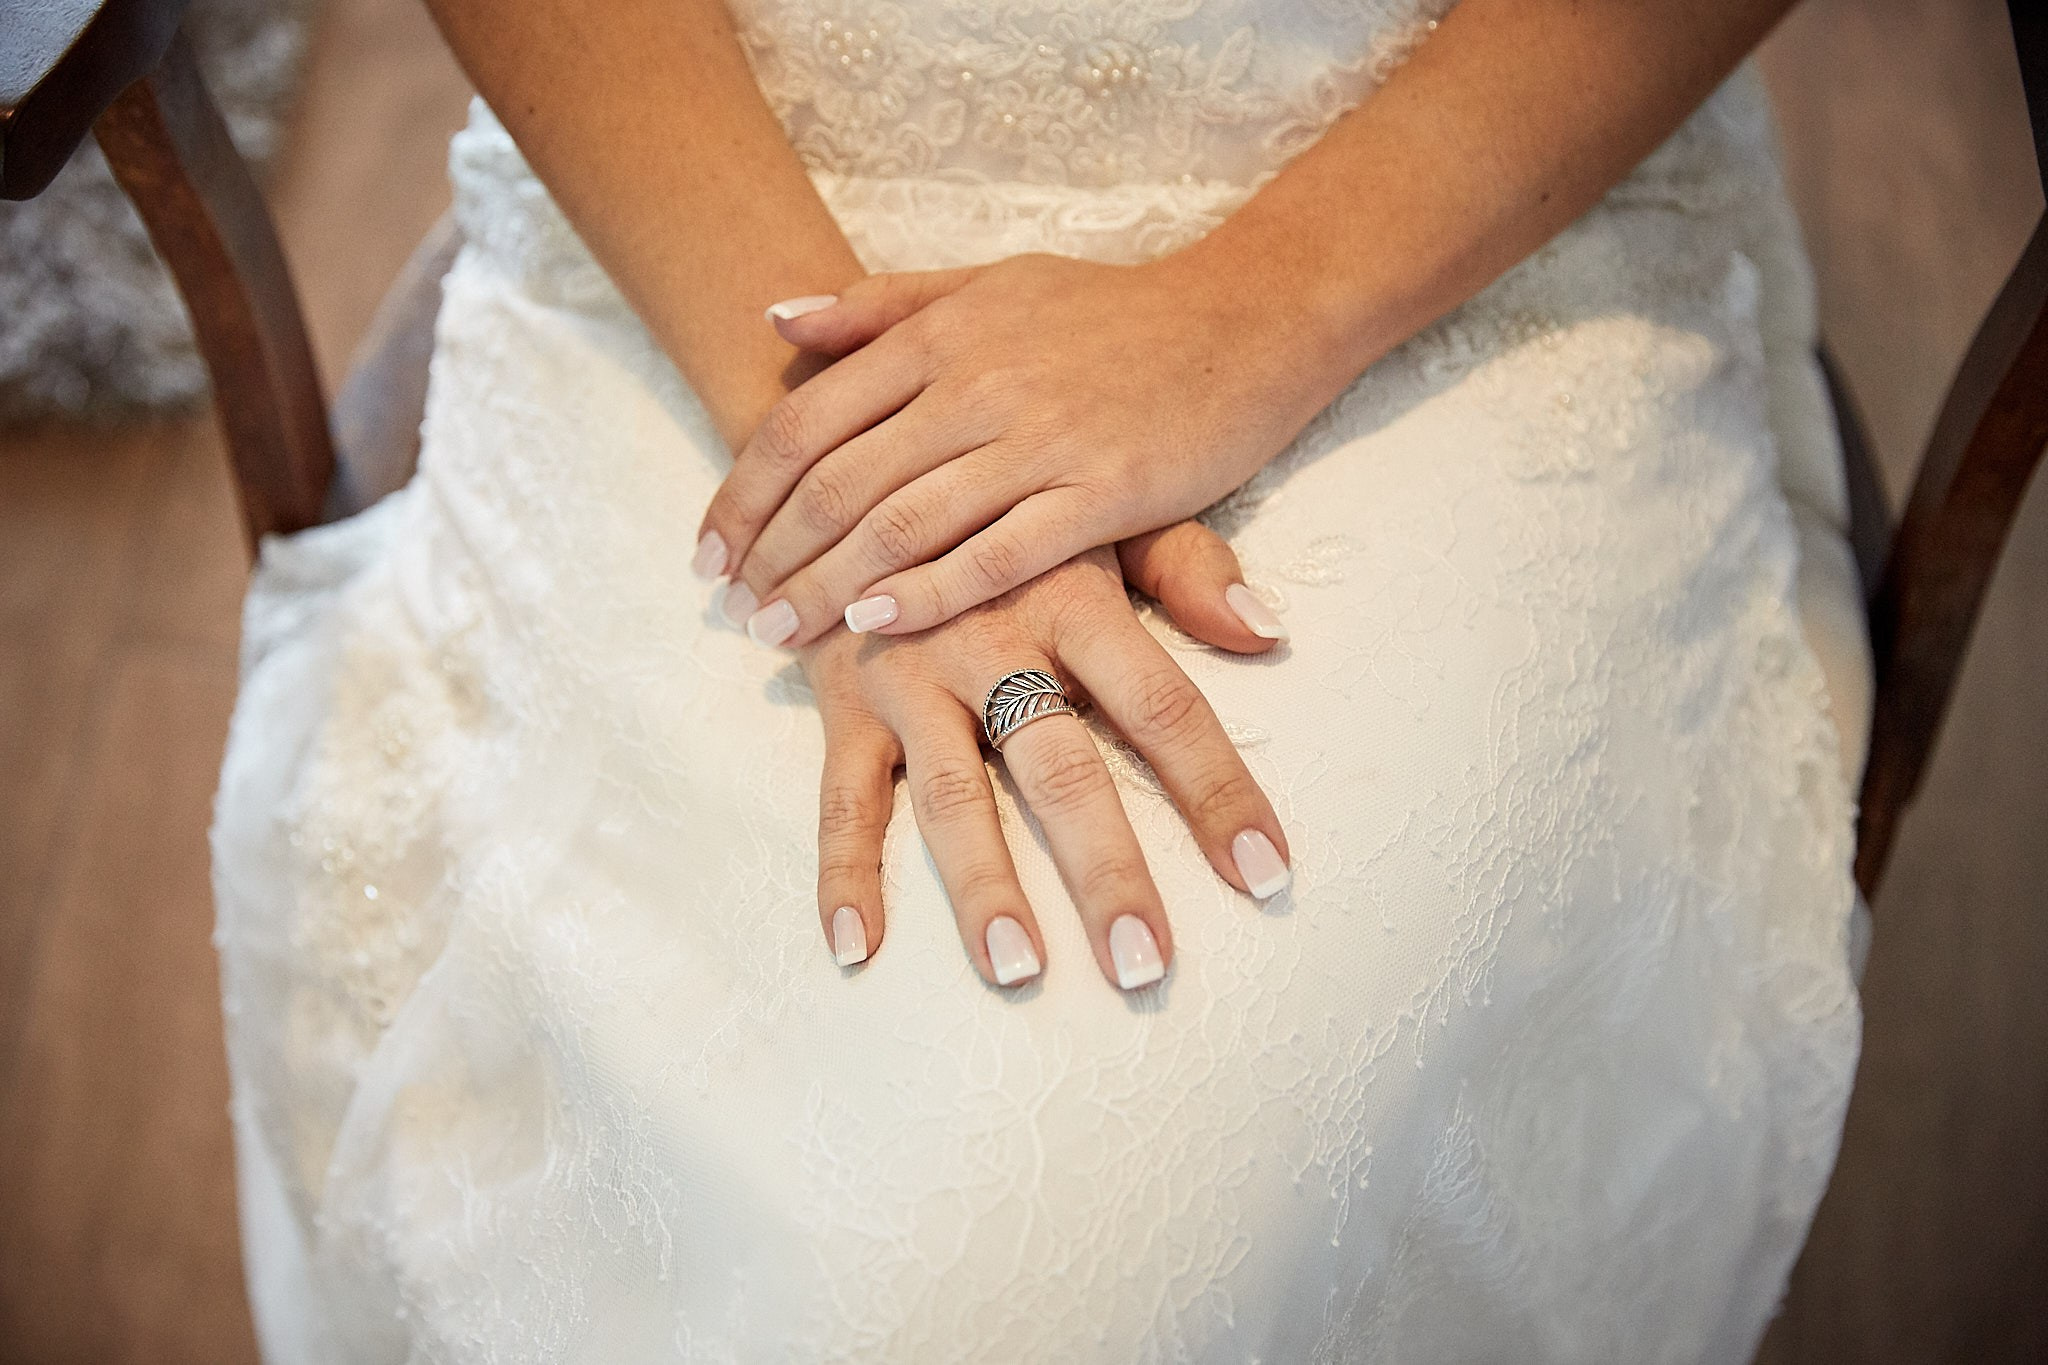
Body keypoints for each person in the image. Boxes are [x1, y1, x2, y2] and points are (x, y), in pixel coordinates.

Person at [209, 0, 1871, 1357]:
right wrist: (857, 464)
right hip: (712, 202)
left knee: (1145, 1221)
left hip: (1437, 192)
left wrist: (1252, 318)